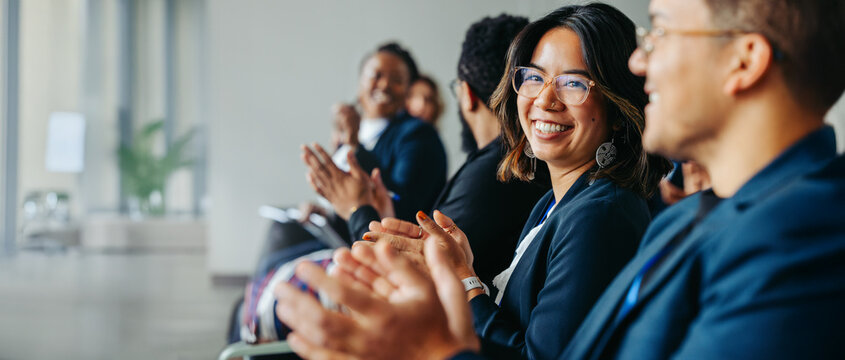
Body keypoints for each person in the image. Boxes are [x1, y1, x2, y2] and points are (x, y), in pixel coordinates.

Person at [275, 0, 845, 359]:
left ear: (744, 62)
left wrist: (437, 347)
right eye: (532, 77)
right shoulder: (706, 217)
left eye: (662, 34)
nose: (641, 65)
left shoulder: (799, 242)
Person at [357, 4, 671, 359]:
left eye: (573, 83)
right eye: (534, 77)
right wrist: (456, 266)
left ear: (617, 109)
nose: (545, 99)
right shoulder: (555, 202)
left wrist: (462, 279)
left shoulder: (600, 215)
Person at [306, 14, 547, 287]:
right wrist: (380, 212)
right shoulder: (509, 164)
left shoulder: (497, 171)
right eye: (376, 75)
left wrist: (357, 208)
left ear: (465, 94)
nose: (384, 85)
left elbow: (407, 277)